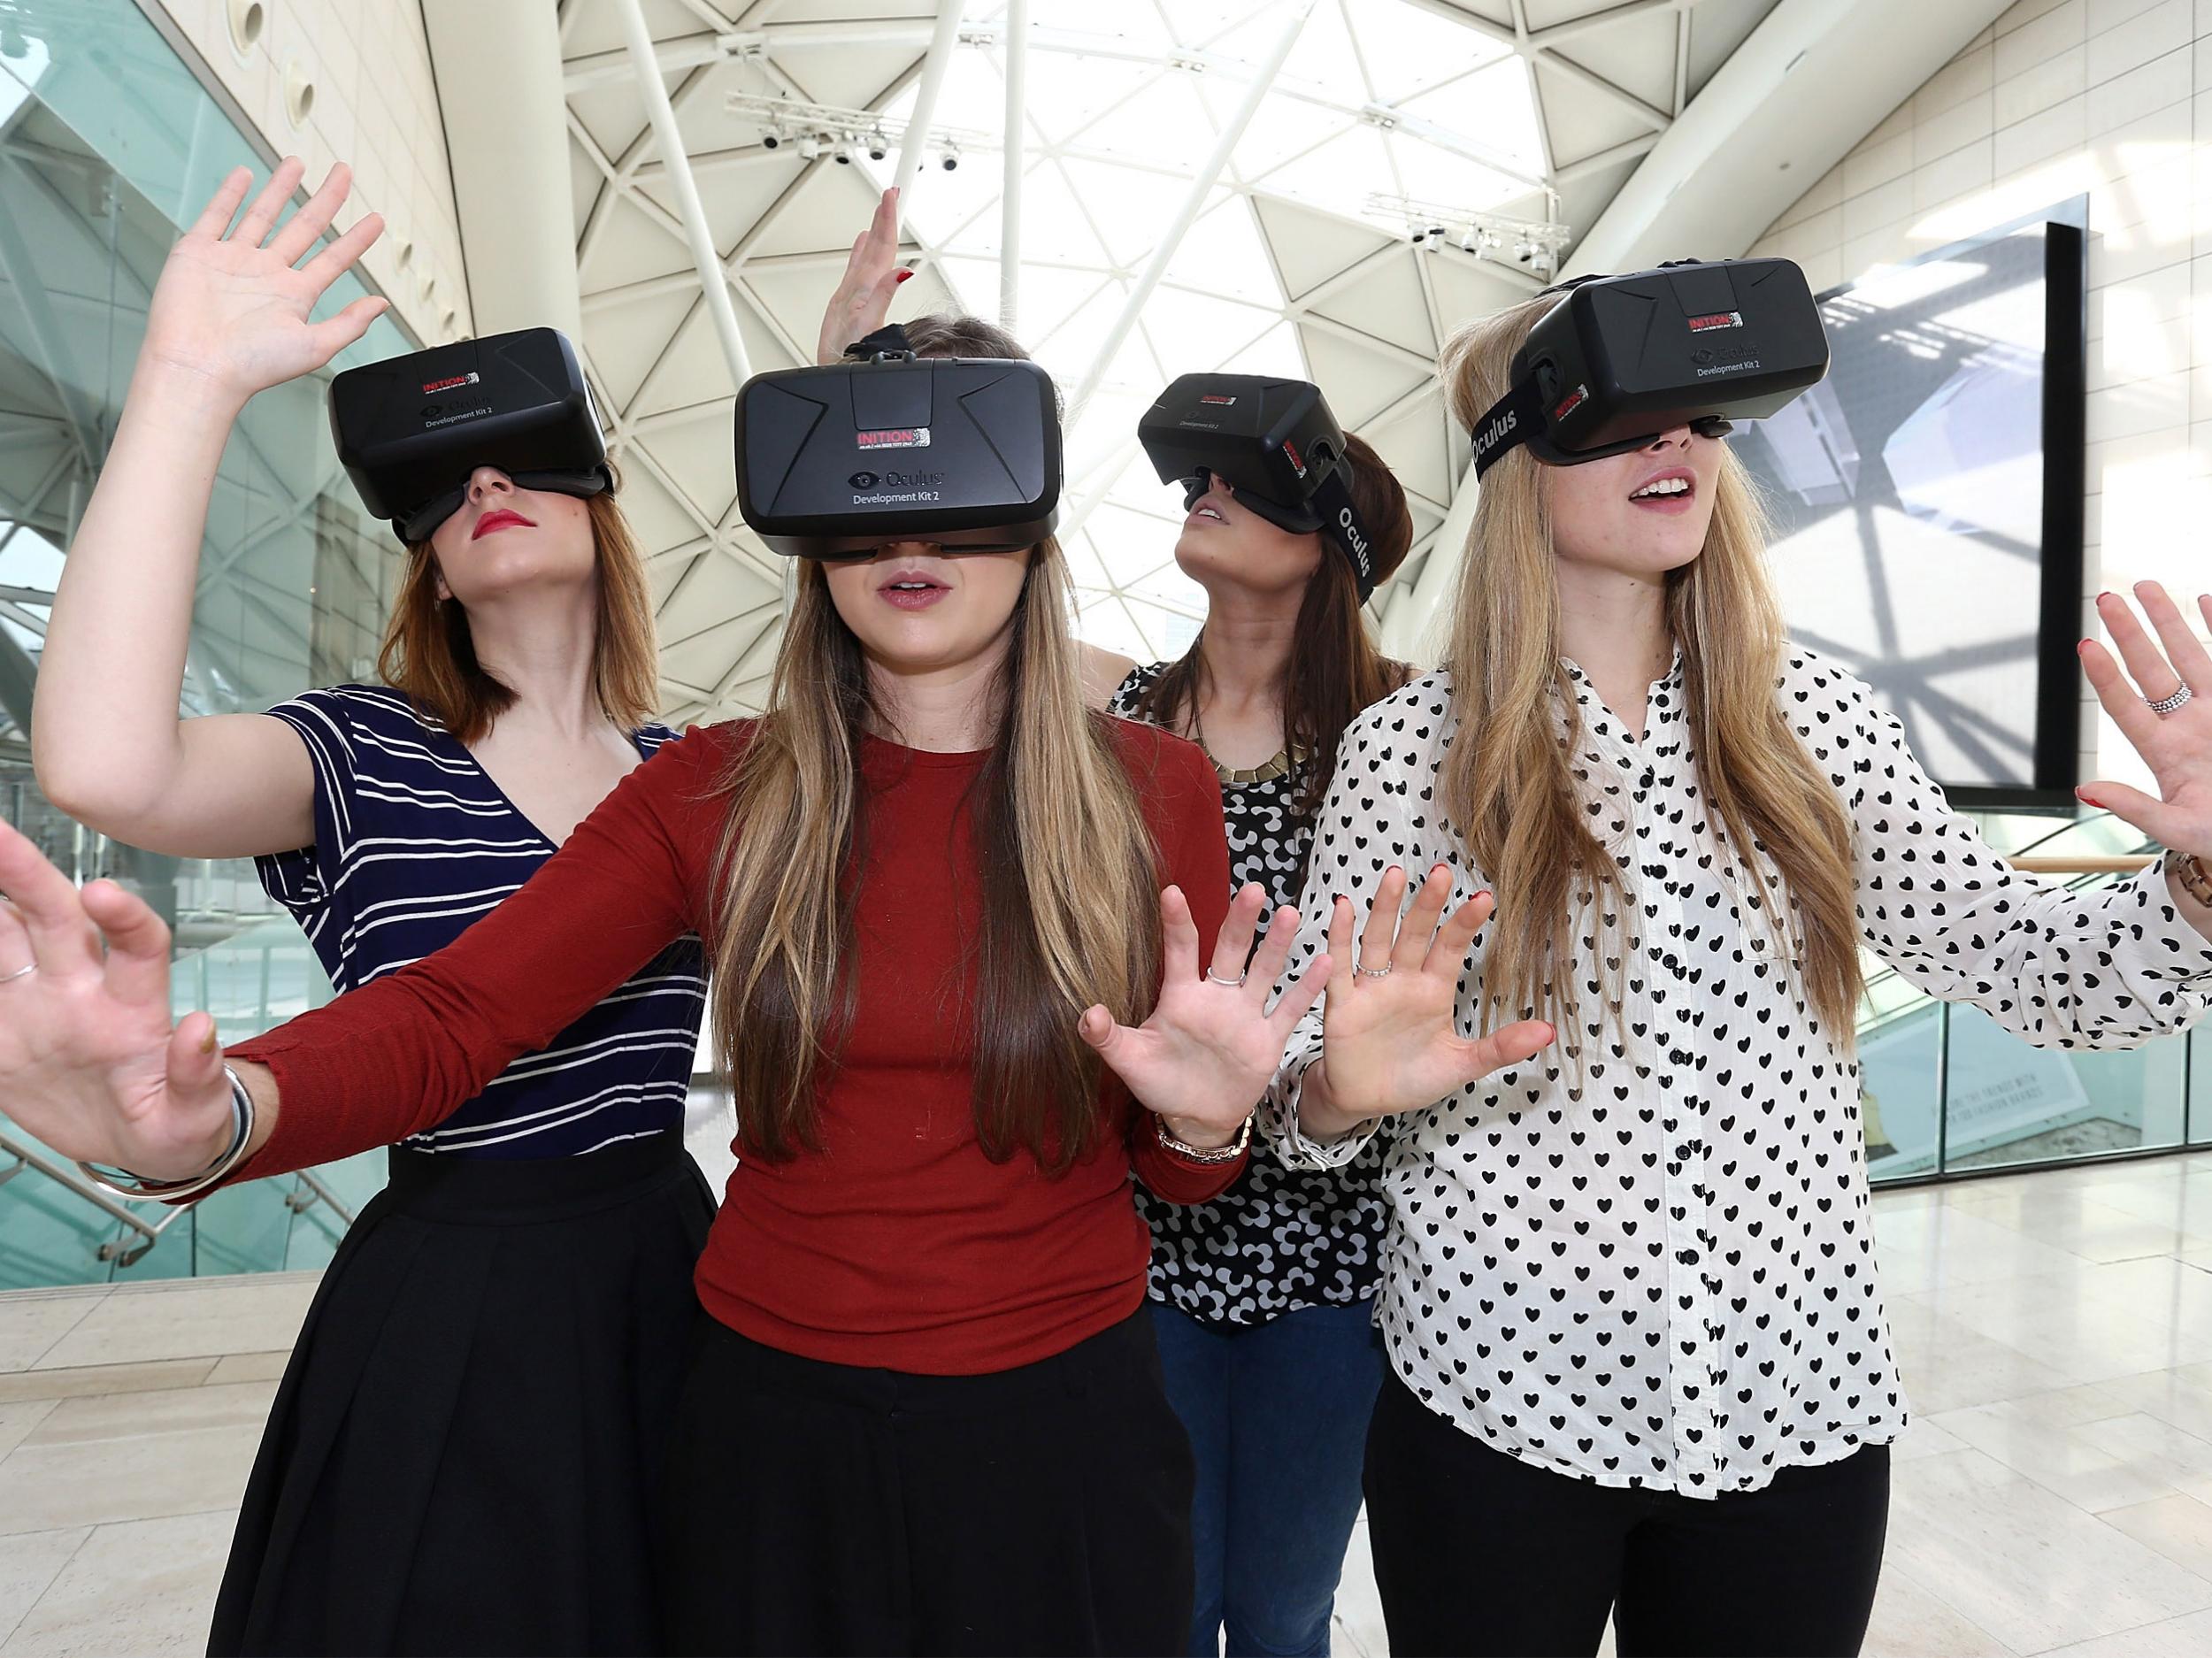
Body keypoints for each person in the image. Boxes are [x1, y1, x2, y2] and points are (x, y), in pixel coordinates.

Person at [0, 311, 1512, 1658]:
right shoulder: (720, 791)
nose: (910, 527)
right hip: (771, 1425)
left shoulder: (1154, 789)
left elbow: (1180, 1170)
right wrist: (217, 1112)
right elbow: (462, 1012)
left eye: (963, 473)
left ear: (1036, 517)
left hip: (1065, 1422)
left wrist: (1201, 1128)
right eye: (860, 490)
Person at [1260, 288, 2212, 1658]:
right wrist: (1340, 1097)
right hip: (1497, 1399)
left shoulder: (1818, 720)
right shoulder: (1410, 752)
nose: (1680, 447)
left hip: (1800, 1404)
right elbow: (1305, 1102)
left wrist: (2199, 880)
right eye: (1620, 416)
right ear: (1514, 455)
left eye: (1699, 414)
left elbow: (2035, 965)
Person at [26, 159, 710, 1656]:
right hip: (452, 1304)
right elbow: (103, 759)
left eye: (528, 453)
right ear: (429, 568)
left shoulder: (691, 775)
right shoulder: (360, 749)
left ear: (604, 503)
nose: (484, 482)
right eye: (444, 482)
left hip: (674, 1280)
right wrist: (190, 378)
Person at [815, 193, 1418, 1655]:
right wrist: (849, 389)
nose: (1198, 490)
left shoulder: (1407, 734)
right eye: (1193, 476)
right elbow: (937, 608)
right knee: (1157, 1591)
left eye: (1245, 479)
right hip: (1144, 1240)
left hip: (1332, 1264)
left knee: (1280, 1609)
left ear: (1332, 534)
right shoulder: (1116, 706)